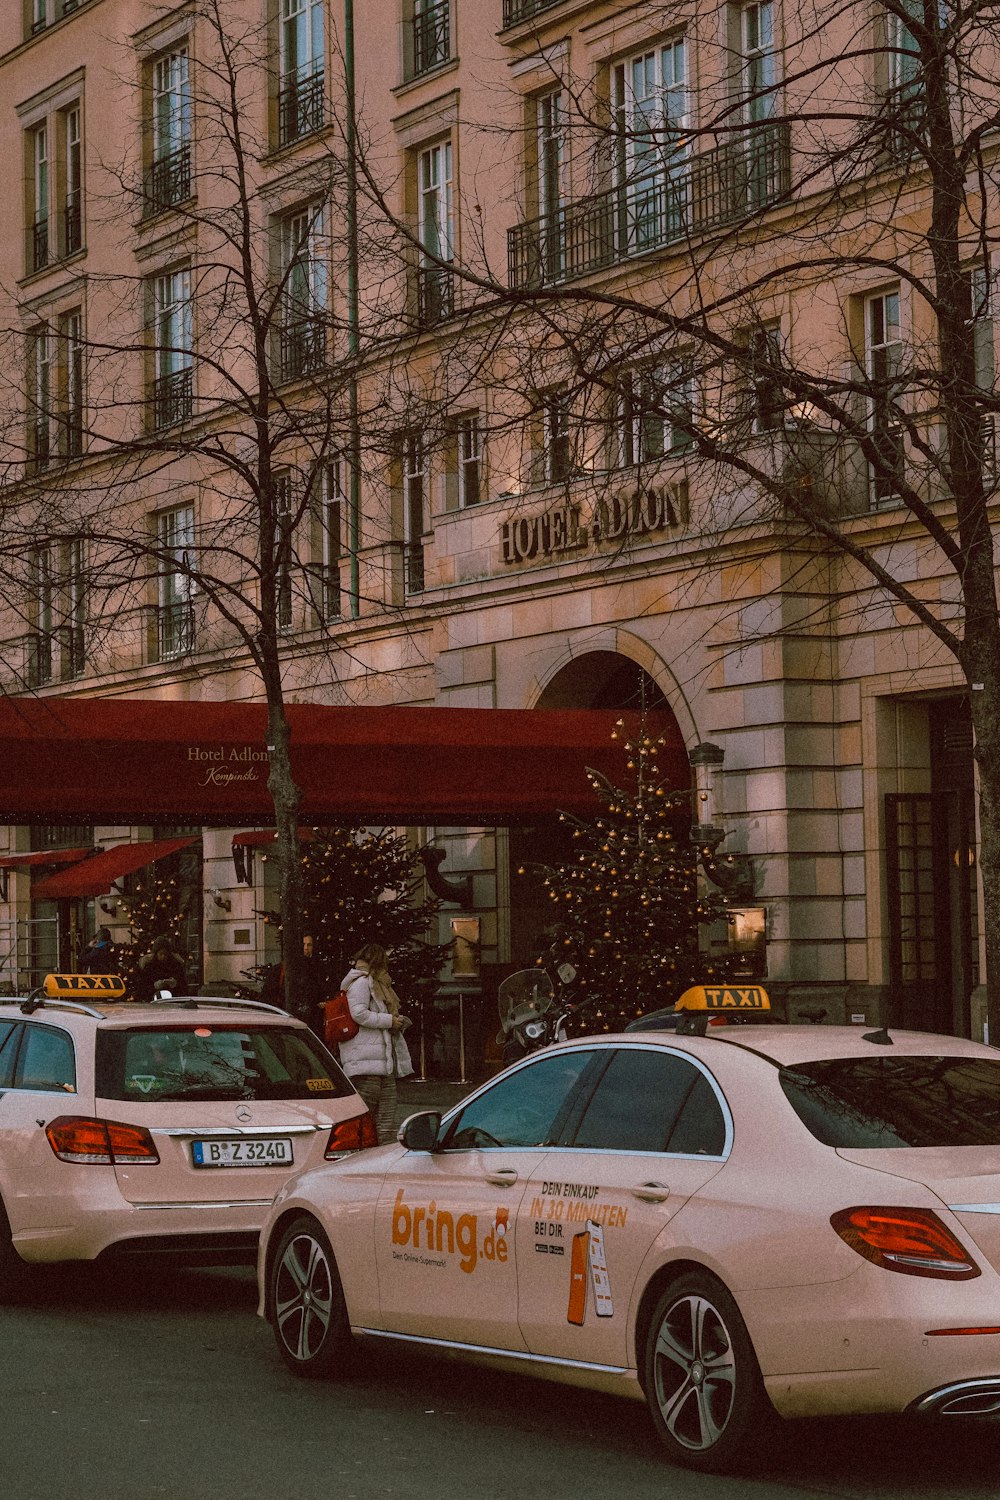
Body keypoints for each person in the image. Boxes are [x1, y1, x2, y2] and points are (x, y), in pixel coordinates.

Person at [338, 942, 412, 1143]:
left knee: (386, 1117)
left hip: (380, 1062)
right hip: (364, 1063)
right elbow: (359, 1014)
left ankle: (380, 1156)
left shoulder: (377, 984)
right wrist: (389, 1021)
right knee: (368, 1117)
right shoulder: (363, 982)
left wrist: (395, 1021)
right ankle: (364, 1155)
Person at [262, 933, 324, 1032]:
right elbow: (268, 995)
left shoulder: (316, 968)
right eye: (303, 944)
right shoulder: (281, 969)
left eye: (309, 945)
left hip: (308, 1021)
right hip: (286, 1018)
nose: (306, 948)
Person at [135, 935, 189, 1002]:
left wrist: (175, 983)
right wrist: (154, 986)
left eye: (165, 954)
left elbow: (183, 986)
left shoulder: (175, 966)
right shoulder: (149, 967)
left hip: (173, 1001)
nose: (163, 956)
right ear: (156, 953)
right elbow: (143, 987)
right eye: (161, 954)